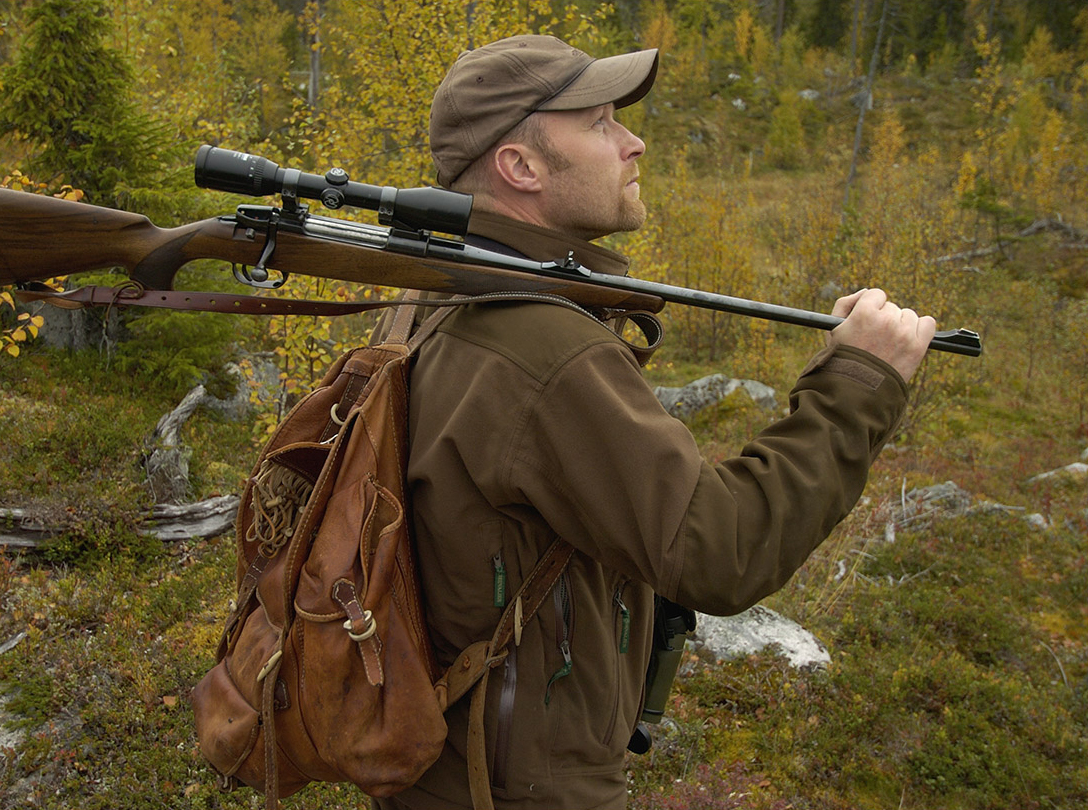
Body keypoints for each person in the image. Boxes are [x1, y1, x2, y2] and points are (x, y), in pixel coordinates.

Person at [374, 34, 936, 810]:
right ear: (522, 167)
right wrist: (858, 383)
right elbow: (720, 550)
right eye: (602, 122)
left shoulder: (433, 291)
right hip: (516, 783)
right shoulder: (543, 350)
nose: (634, 142)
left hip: (442, 755)